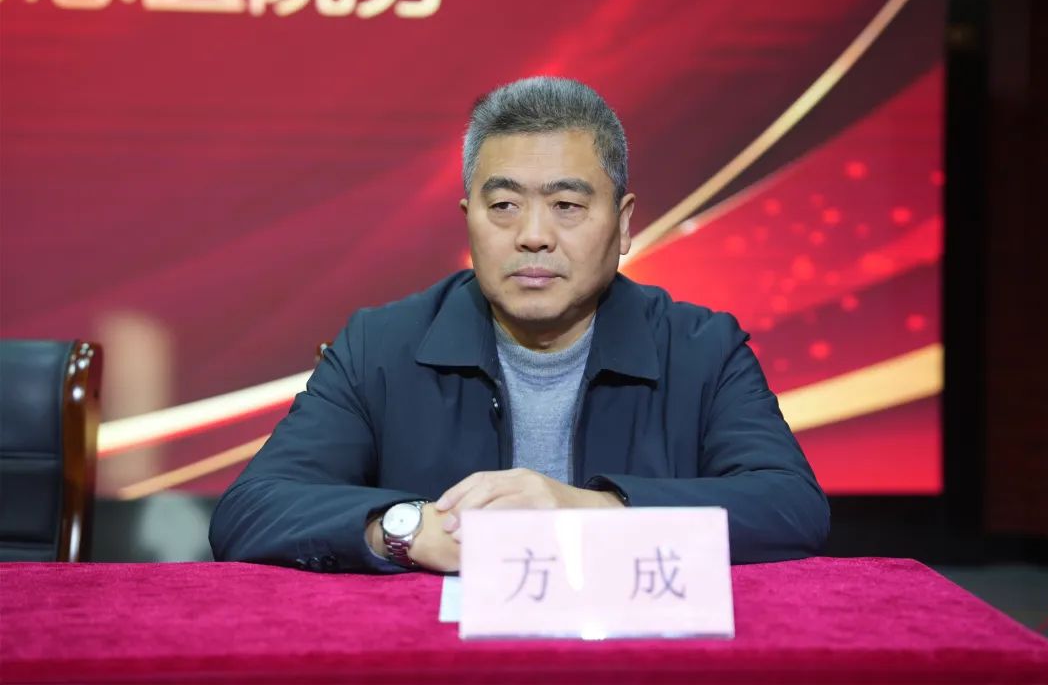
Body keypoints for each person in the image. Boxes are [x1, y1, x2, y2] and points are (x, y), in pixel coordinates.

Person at [209, 77, 829, 574]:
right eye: (504, 205)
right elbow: (251, 509)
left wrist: (589, 511)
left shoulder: (702, 348)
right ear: (468, 219)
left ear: (623, 225)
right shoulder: (381, 346)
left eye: (567, 206)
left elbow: (791, 507)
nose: (533, 235)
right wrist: (406, 529)